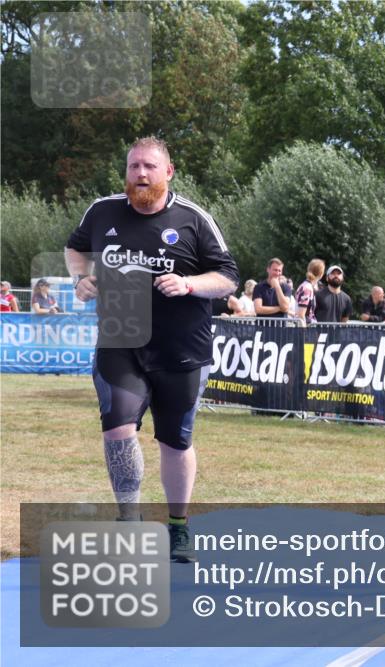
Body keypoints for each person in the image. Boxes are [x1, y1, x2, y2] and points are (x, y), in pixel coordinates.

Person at [64, 136, 239, 562]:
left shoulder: (194, 219)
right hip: (120, 341)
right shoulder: (102, 211)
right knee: (117, 429)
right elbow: (74, 247)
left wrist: (190, 284)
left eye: (148, 167)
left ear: (168, 171)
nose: (140, 174)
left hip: (181, 350)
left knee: (175, 441)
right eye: (133, 167)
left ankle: (178, 527)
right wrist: (80, 278)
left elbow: (229, 277)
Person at [293, 259, 324, 325]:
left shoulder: (306, 286)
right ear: (321, 274)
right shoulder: (307, 288)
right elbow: (301, 315)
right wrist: (304, 333)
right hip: (305, 327)